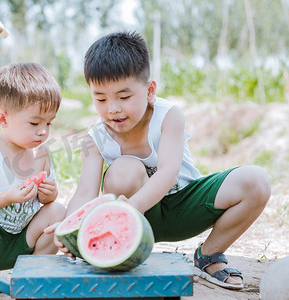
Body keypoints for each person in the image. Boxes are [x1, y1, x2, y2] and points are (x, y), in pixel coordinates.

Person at [48, 31, 271, 290]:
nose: (113, 109)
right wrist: (68, 228)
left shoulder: (168, 116)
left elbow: (167, 173)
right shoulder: (93, 139)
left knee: (256, 181)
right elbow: (85, 191)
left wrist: (131, 207)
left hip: (181, 206)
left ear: (150, 90)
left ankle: (209, 254)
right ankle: (122, 254)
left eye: (124, 96)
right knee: (123, 171)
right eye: (101, 99)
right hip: (130, 221)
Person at [0, 62, 66, 298]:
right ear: (3, 119)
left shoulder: (42, 154)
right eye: (35, 123)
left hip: (22, 239)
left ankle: (32, 272)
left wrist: (50, 194)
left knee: (57, 211)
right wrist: (7, 197)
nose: (43, 132)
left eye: (49, 123)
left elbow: (49, 201)